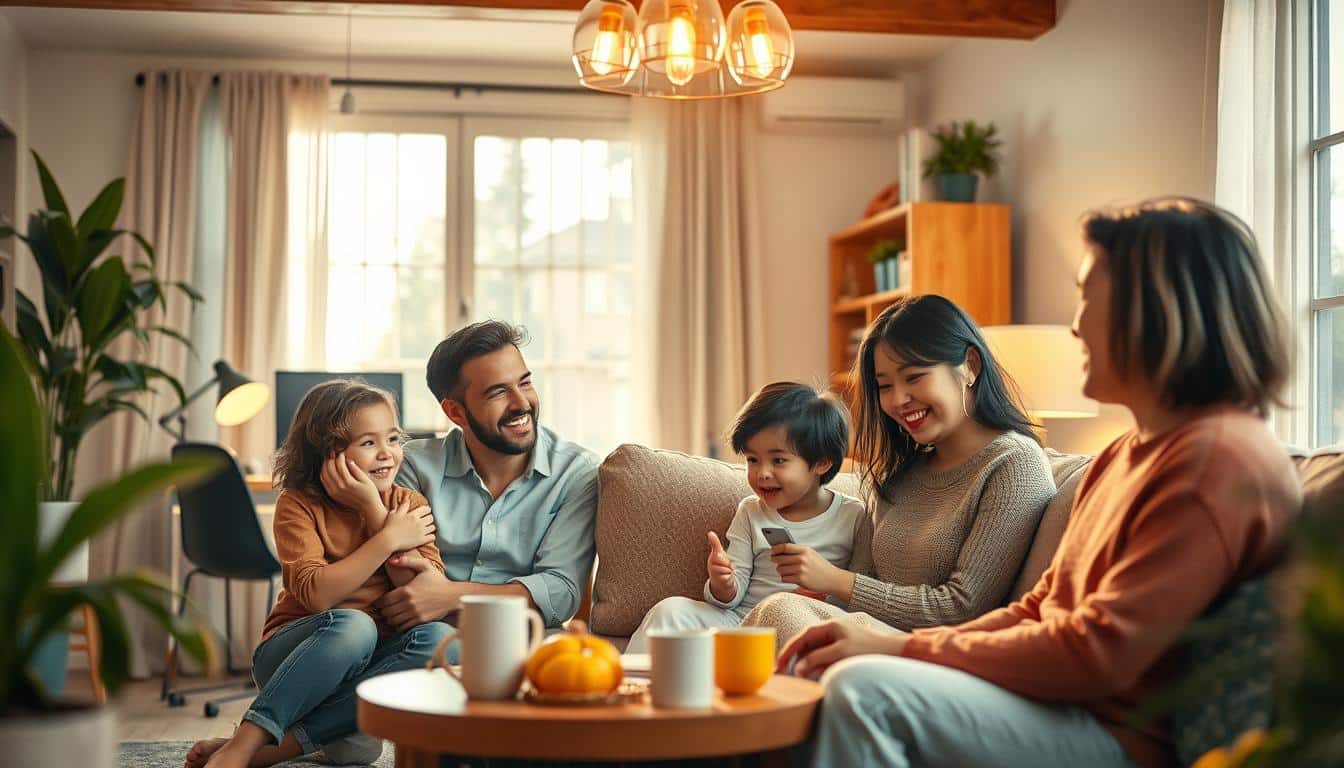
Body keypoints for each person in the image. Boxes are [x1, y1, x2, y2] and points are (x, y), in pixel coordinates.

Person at [778, 198, 1302, 768]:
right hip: (1059, 709)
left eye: (1087, 295)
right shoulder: (1126, 454)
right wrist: (894, 647)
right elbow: (1041, 606)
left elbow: (1098, 653)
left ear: (1152, 309)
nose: (1075, 324)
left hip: (1116, 736)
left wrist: (902, 648)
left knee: (864, 694)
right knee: (833, 669)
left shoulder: (1214, 463)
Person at [743, 294, 1055, 643]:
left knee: (781, 613)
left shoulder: (1013, 465)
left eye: (914, 377)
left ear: (970, 365)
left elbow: (962, 607)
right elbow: (861, 586)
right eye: (885, 385)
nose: (897, 400)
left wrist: (835, 581)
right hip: (868, 638)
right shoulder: (899, 475)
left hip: (938, 652)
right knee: (776, 610)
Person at [185, 380, 449, 768]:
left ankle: (279, 748)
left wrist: (375, 513)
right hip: (295, 656)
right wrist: (390, 536)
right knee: (355, 626)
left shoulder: (407, 504)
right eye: (369, 443)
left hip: (365, 675)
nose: (388, 454)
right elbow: (317, 596)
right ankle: (245, 743)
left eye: (392, 439)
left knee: (444, 642)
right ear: (331, 454)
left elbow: (424, 600)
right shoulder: (298, 504)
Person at [625, 382, 866, 653]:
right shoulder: (751, 511)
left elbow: (859, 591)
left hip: (804, 628)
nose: (762, 473)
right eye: (752, 459)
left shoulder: (853, 515)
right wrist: (723, 583)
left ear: (821, 463)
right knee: (670, 611)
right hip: (741, 624)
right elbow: (731, 595)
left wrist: (824, 594)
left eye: (778, 461)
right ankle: (631, 688)